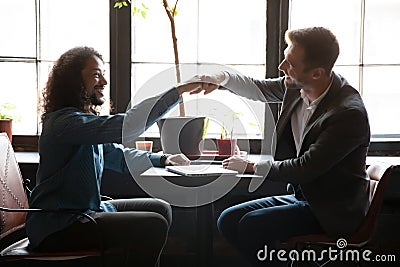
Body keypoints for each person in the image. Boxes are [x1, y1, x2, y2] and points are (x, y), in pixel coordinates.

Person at [191, 27, 371, 266]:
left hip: (331, 212)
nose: (282, 67)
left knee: (252, 226)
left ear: (317, 73)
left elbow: (304, 168)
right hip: (303, 199)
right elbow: (257, 88)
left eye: (291, 64)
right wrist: (220, 78)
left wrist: (252, 166)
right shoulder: (298, 86)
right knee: (228, 220)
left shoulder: (347, 114)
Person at [26, 46, 202, 266]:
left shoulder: (81, 120)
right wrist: (179, 91)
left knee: (160, 208)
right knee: (152, 224)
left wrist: (162, 159)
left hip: (86, 213)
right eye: (96, 74)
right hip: (59, 226)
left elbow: (115, 154)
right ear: (74, 81)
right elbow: (127, 125)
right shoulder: (64, 123)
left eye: (103, 75)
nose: (104, 82)